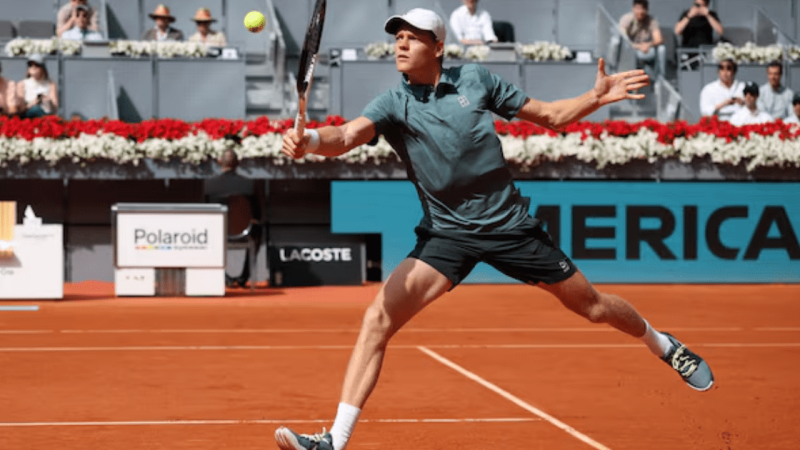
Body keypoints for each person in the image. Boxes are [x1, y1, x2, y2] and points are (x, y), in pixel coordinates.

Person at [273, 8, 715, 450]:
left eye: (413, 36)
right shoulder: (393, 103)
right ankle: (335, 441)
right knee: (377, 319)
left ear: (438, 47)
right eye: (397, 37)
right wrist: (309, 141)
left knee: (594, 307)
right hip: (447, 235)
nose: (401, 44)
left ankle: (663, 344)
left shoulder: (476, 80)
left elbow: (551, 116)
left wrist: (595, 98)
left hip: (510, 227)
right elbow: (346, 136)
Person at [204, 142, 265, 288]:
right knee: (258, 230)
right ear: (237, 164)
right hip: (244, 231)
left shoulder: (209, 184)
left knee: (206, 233)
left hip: (218, 233)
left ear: (219, 162)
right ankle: (244, 277)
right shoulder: (249, 184)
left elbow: (205, 212)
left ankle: (224, 277)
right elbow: (258, 213)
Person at [618, 0, 666, 77]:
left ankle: (660, 77)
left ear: (647, 10)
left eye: (643, 9)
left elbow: (659, 39)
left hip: (645, 48)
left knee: (661, 49)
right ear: (633, 8)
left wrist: (648, 45)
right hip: (630, 49)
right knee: (617, 43)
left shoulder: (651, 20)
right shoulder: (627, 19)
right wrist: (638, 46)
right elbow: (624, 39)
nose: (640, 12)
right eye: (637, 8)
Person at [674, 0, 723, 69]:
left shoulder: (711, 15)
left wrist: (708, 15)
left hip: (705, 51)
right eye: (696, 5)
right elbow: (677, 31)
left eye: (700, 6)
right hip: (689, 51)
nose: (698, 8)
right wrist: (689, 16)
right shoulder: (687, 14)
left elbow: (720, 31)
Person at [16, 54, 58, 119]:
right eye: (30, 65)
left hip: (45, 114)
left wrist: (47, 101)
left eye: (37, 65)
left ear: (42, 68)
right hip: (27, 116)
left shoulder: (50, 84)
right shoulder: (22, 84)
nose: (33, 67)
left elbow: (55, 108)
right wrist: (33, 103)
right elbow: (19, 109)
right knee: (36, 109)